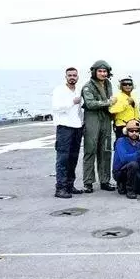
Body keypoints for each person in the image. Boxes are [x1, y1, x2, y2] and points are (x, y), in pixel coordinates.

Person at [81, 60, 117, 193]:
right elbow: (90, 104)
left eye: (105, 71)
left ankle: (105, 180)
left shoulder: (108, 84)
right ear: (94, 72)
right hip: (92, 119)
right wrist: (108, 102)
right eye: (100, 71)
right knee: (90, 150)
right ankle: (88, 182)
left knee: (105, 151)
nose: (102, 73)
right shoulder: (88, 86)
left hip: (106, 119)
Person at [52, 67, 84, 198]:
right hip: (64, 128)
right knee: (63, 158)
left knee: (73, 157)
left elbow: (80, 109)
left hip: (77, 127)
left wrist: (83, 123)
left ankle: (70, 185)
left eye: (74, 75)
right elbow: (56, 107)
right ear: (66, 76)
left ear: (77, 77)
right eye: (70, 75)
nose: (72, 77)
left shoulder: (78, 90)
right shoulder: (59, 90)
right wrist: (71, 102)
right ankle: (60, 188)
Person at [112, 120, 140, 199]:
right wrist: (139, 153)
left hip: (133, 171)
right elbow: (124, 159)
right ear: (126, 132)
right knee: (133, 164)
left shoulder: (138, 145)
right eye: (131, 131)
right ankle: (129, 190)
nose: (134, 133)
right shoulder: (120, 141)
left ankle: (127, 186)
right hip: (120, 172)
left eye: (136, 131)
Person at [109, 76, 140, 140]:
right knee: (122, 145)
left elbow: (137, 110)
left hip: (134, 125)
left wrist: (138, 120)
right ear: (121, 86)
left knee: (135, 145)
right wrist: (127, 103)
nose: (127, 86)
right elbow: (112, 110)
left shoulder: (134, 95)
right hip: (122, 125)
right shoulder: (116, 96)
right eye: (124, 84)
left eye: (129, 84)